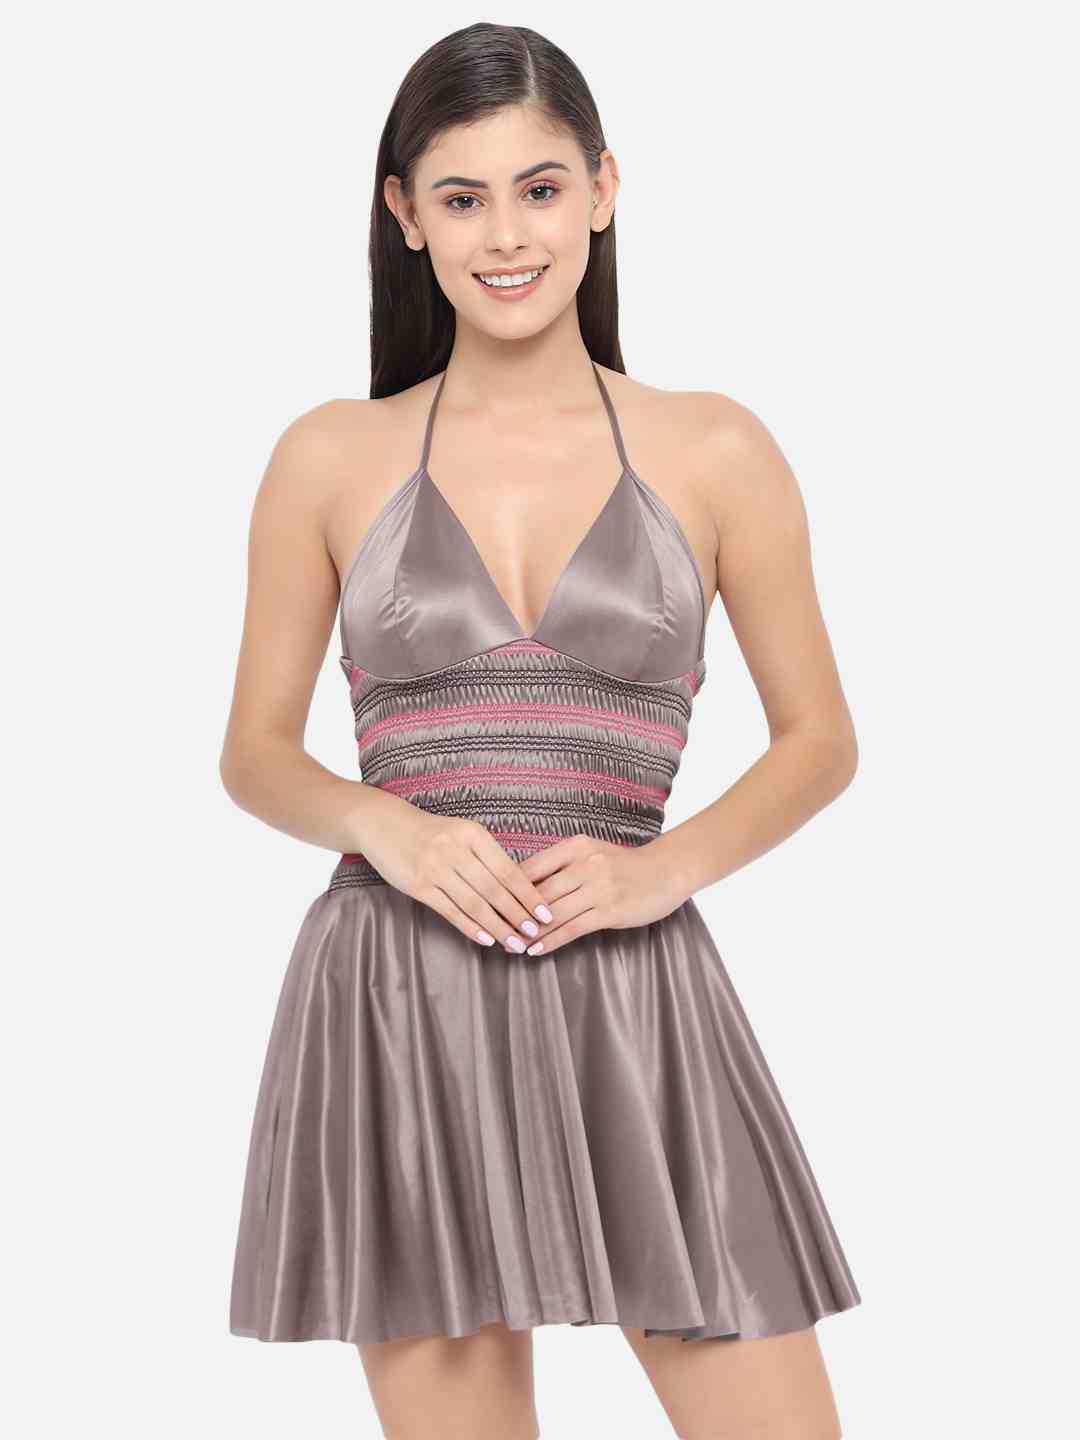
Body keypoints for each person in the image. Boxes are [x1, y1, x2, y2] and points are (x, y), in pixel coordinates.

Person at [222, 21, 862, 1440]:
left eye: (540, 188)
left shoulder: (716, 447)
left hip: (634, 982)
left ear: (604, 189)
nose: (506, 235)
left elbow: (819, 737)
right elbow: (253, 751)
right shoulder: (328, 454)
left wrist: (661, 870)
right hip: (400, 992)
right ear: (405, 214)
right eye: (462, 198)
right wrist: (382, 826)